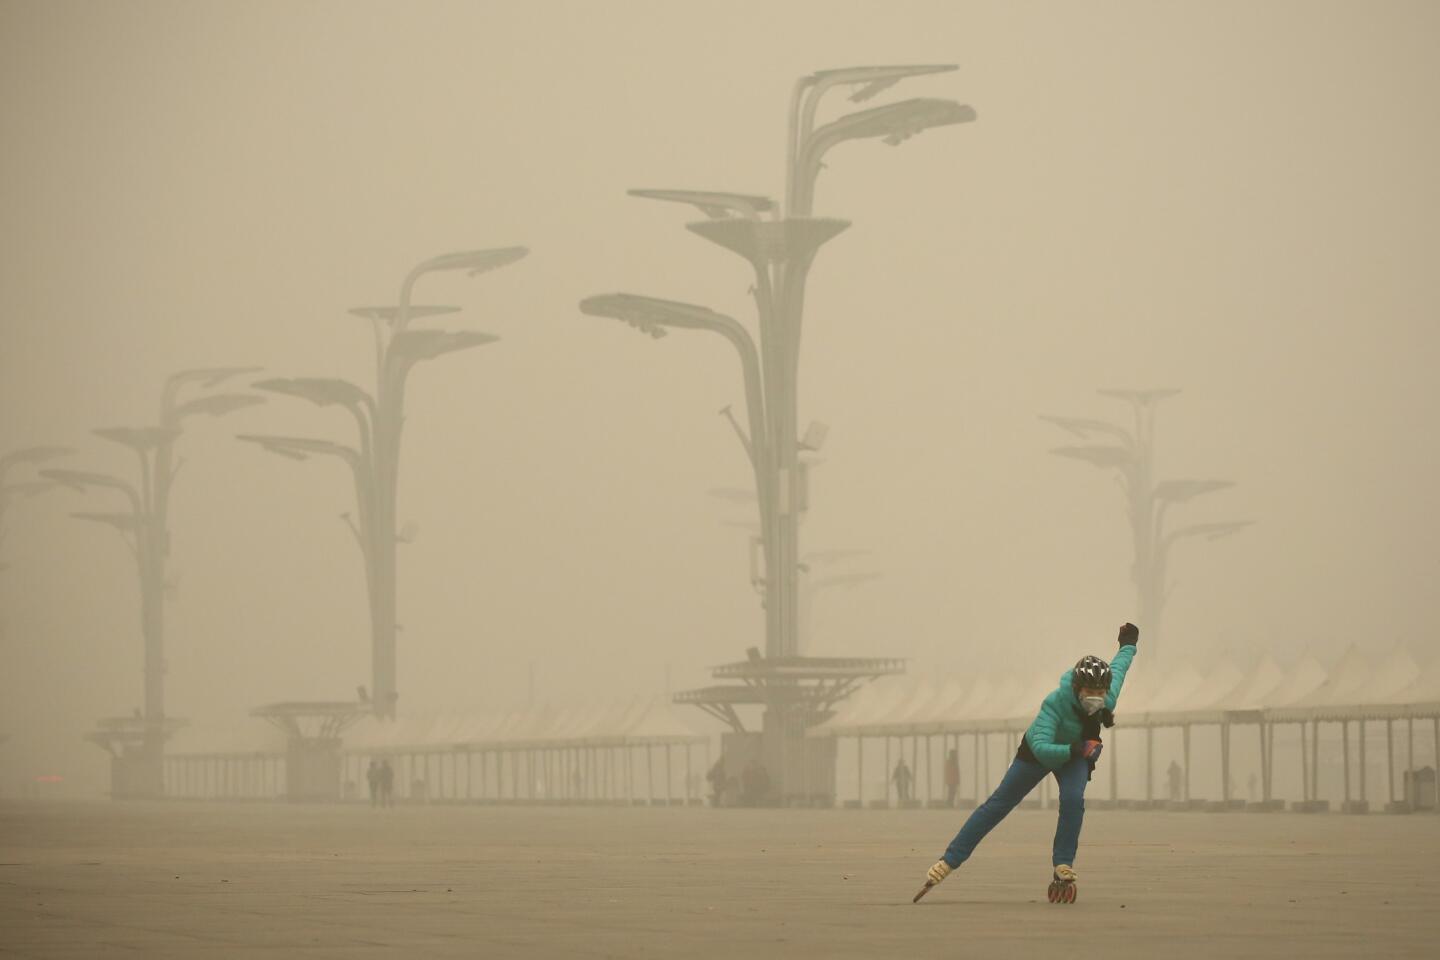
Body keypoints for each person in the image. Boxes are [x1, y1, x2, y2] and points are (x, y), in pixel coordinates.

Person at [918, 623, 1138, 904]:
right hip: (1037, 752)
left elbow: (1119, 668)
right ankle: (949, 860)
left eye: (1100, 691)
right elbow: (1043, 748)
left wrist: (1128, 643)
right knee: (999, 804)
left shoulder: (1108, 695)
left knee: (1073, 799)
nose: (1095, 697)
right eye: (1089, 690)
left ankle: (1063, 863)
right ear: (1076, 687)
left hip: (1076, 753)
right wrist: (1077, 748)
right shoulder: (1055, 703)